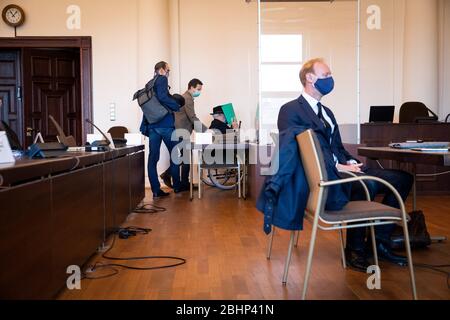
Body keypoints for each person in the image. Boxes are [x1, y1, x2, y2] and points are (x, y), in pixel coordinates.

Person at [278, 58, 413, 272]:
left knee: (403, 179)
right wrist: (338, 167)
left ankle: (378, 242)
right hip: (323, 177)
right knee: (365, 186)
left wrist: (350, 162)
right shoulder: (291, 110)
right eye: (326, 75)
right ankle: (355, 251)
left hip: (343, 168)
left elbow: (337, 147)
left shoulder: (327, 113)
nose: (330, 79)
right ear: (309, 78)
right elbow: (302, 152)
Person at [140, 61, 186, 198]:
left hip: (152, 126)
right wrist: (176, 106)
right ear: (161, 70)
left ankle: (155, 190)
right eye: (168, 70)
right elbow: (162, 97)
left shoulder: (149, 83)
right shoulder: (162, 79)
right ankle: (177, 186)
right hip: (165, 125)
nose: (168, 73)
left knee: (153, 158)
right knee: (175, 155)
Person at [160, 78, 207, 189]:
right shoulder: (187, 98)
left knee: (184, 158)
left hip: (180, 130)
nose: (199, 92)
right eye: (198, 89)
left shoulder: (185, 97)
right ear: (191, 87)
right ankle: (173, 177)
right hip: (181, 131)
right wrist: (206, 131)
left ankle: (181, 181)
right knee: (184, 158)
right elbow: (192, 117)